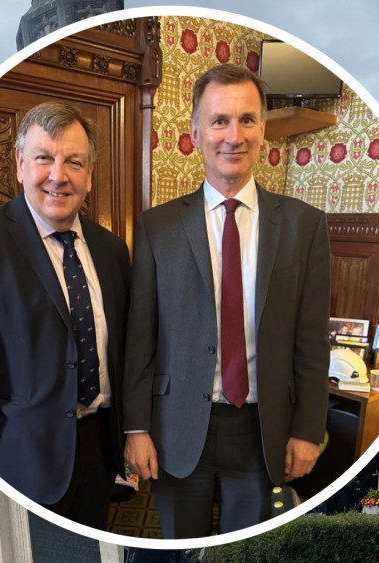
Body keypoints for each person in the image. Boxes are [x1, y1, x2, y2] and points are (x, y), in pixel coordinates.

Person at [122, 64, 331, 538]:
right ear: (196, 133)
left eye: (247, 120)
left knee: (249, 549)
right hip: (176, 426)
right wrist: (135, 429)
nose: (233, 135)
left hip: (265, 429)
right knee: (181, 546)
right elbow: (141, 340)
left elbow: (312, 342)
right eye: (219, 121)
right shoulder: (157, 228)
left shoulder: (304, 226)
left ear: (263, 130)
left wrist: (306, 429)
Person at [0, 102, 130, 528]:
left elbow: (126, 354)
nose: (58, 175)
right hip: (19, 463)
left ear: (90, 174)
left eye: (74, 162)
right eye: (44, 158)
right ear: (21, 164)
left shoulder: (112, 251)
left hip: (99, 451)